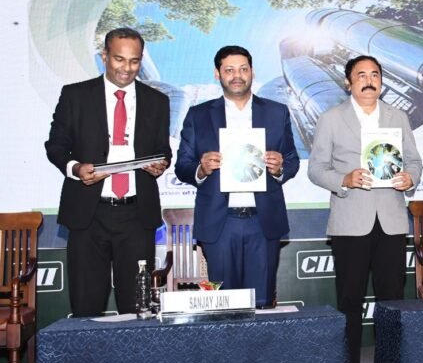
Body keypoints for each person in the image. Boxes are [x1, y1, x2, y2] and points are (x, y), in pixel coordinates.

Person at [307, 55, 423, 363]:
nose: (369, 80)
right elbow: (316, 169)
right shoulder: (331, 118)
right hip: (350, 222)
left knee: (392, 302)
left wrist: (410, 178)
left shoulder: (398, 117)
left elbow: (414, 161)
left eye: (375, 74)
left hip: (390, 221)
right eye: (361, 75)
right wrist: (344, 179)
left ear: (382, 81)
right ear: (348, 82)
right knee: (349, 302)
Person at [45, 27, 171, 317]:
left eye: (134, 61)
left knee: (137, 308)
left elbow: (163, 150)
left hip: (137, 216)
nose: (127, 68)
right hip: (88, 215)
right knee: (86, 307)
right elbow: (56, 146)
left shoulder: (157, 101)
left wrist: (161, 163)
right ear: (104, 56)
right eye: (119, 59)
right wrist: (75, 168)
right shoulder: (75, 95)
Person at [175, 45, 299, 308]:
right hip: (220, 223)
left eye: (243, 69)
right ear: (217, 74)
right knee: (224, 306)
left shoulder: (277, 112)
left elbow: (292, 160)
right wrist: (201, 168)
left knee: (261, 304)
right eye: (229, 70)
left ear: (252, 71)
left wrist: (280, 168)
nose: (237, 76)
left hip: (263, 222)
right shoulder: (199, 115)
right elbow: (182, 166)